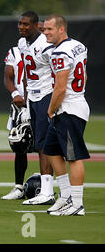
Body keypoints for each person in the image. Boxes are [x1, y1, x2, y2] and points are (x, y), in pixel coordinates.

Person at [43, 15, 89, 216]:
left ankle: (77, 203)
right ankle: (66, 196)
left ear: (61, 29)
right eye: (44, 29)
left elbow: (61, 87)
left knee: (73, 157)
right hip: (74, 103)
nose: (45, 32)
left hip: (69, 107)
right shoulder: (78, 46)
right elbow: (83, 75)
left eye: (49, 29)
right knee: (51, 150)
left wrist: (51, 108)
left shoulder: (60, 52)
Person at [17, 11, 56, 205]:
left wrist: (57, 99)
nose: (21, 27)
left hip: (46, 95)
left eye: (25, 24)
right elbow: (25, 72)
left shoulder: (46, 45)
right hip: (32, 97)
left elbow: (58, 72)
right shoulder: (22, 43)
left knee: (45, 145)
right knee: (39, 143)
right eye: (20, 24)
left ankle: (48, 191)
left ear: (34, 26)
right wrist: (25, 100)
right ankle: (47, 191)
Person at [1, 46, 28, 199]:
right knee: (19, 144)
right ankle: (18, 187)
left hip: (40, 102)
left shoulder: (49, 49)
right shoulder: (15, 51)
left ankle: (47, 187)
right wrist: (15, 93)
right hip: (19, 105)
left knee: (45, 147)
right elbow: (8, 76)